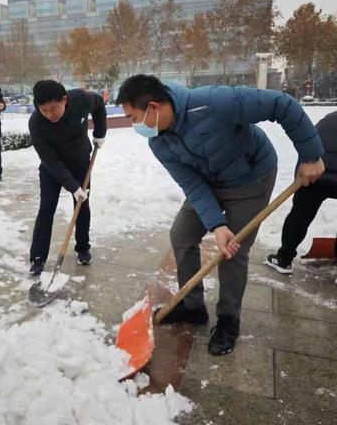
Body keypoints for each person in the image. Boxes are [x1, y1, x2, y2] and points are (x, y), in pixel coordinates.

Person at [117, 74, 325, 356]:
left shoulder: (213, 102)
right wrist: (216, 223)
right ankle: (192, 306)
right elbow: (191, 183)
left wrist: (311, 155)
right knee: (181, 234)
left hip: (251, 178)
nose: (133, 125)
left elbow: (282, 104)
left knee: (232, 251)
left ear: (153, 107)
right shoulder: (158, 143)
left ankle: (228, 320)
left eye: (133, 117)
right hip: (209, 183)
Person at [28, 80, 107, 276]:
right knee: (46, 208)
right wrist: (72, 186)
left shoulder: (81, 99)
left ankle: (82, 248)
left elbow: (99, 105)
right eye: (44, 110)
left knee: (81, 205)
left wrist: (100, 133)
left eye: (53, 108)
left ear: (64, 100)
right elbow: (50, 160)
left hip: (80, 163)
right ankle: (38, 257)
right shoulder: (36, 123)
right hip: (52, 168)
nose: (49, 114)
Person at [267, 110, 337, 274]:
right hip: (321, 170)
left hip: (314, 173)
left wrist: (299, 180)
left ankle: (284, 259)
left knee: (299, 216)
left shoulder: (328, 118)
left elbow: (309, 146)